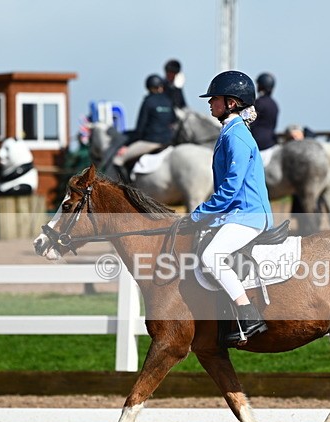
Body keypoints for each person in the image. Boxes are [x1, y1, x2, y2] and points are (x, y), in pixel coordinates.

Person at [188, 70, 274, 345]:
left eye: (215, 98)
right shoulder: (230, 131)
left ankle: (248, 314)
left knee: (211, 256)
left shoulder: (236, 136)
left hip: (248, 214)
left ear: (231, 103)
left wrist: (198, 215)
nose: (210, 103)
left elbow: (230, 188)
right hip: (237, 213)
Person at [113, 74, 176, 170]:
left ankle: (125, 180)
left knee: (118, 160)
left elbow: (140, 128)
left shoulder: (148, 102)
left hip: (151, 142)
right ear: (161, 87)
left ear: (148, 88)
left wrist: (128, 143)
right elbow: (173, 120)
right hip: (168, 141)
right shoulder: (168, 101)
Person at [249, 72, 279, 152]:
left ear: (261, 86)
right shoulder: (274, 104)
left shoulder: (259, 103)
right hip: (271, 142)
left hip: (258, 143)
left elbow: (250, 122)